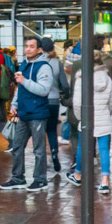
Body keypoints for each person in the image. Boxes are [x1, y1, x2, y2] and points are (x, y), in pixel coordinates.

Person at [0, 36, 53, 192]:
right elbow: (20, 88)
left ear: (39, 49)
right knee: (17, 146)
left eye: (31, 46)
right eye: (26, 46)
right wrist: (15, 104)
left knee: (38, 149)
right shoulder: (24, 64)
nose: (28, 49)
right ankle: (18, 178)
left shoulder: (44, 67)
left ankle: (40, 179)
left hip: (37, 113)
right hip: (23, 113)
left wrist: (24, 81)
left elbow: (44, 90)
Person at [66, 48, 112, 194]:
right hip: (103, 117)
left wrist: (80, 117)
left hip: (87, 117)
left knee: (82, 147)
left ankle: (78, 175)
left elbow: (76, 103)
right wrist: (107, 114)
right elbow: (111, 101)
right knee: (104, 149)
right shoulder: (106, 78)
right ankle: (105, 181)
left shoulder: (81, 79)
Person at [41, 37, 69, 173]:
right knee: (52, 130)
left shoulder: (36, 62)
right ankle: (54, 154)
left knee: (39, 131)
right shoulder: (57, 63)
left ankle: (40, 160)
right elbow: (64, 84)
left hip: (40, 101)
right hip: (53, 100)